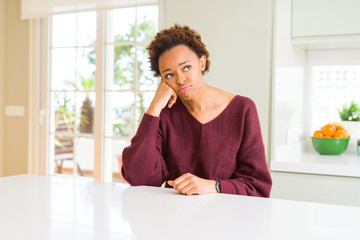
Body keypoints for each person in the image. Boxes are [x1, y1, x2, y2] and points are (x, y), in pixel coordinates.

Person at [121, 24, 272, 197]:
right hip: (172, 218)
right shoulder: (165, 113)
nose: (180, 79)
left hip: (226, 218)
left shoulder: (243, 109)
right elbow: (140, 178)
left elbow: (258, 187)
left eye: (186, 67)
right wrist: (155, 106)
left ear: (201, 62)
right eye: (169, 75)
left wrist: (214, 186)